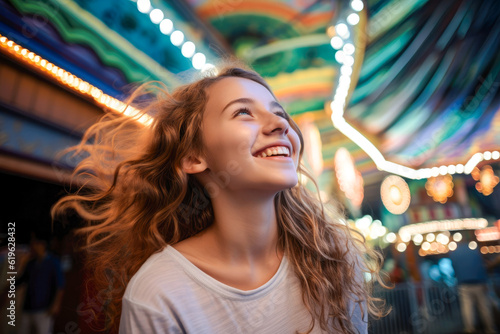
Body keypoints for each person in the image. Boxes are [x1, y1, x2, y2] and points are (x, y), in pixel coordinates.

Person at [52, 63, 388, 333]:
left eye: (279, 113)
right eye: (243, 112)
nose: (280, 124)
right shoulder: (159, 293)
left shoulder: (334, 258)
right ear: (194, 157)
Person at [448, 232, 497, 334]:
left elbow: (454, 269)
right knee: (484, 307)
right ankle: (490, 329)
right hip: (479, 282)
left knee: (467, 308)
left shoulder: (454, 253)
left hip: (464, 284)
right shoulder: (474, 251)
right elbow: (482, 267)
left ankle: (470, 328)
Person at [17, 231, 65, 334]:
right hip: (28, 307)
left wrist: (55, 305)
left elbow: (60, 285)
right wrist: (7, 289)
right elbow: (22, 280)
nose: (31, 246)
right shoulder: (31, 264)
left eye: (34, 243)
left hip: (43, 309)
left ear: (42, 244)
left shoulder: (53, 262)